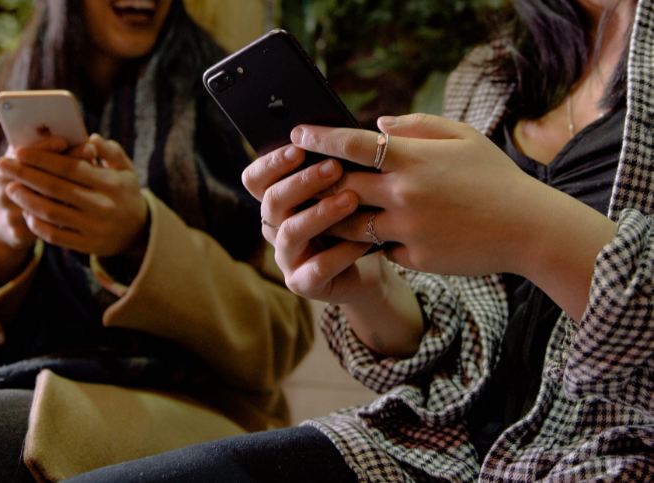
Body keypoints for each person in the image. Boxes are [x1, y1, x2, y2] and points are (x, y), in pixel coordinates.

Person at [65, 0, 653, 481]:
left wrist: (531, 229)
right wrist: (370, 287)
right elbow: (465, 347)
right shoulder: (494, 73)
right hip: (436, 451)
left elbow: (264, 339)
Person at [0, 1, 313, 482]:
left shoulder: (232, 106)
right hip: (11, 388)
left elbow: (282, 339)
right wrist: (0, 246)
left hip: (196, 411)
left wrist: (140, 239)